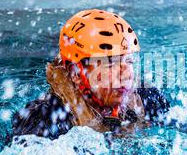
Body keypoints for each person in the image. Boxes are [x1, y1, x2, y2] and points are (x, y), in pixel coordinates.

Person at [11, 9, 170, 139]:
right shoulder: (45, 120)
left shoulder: (149, 100)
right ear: (75, 73)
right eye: (110, 63)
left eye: (129, 61)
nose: (126, 74)